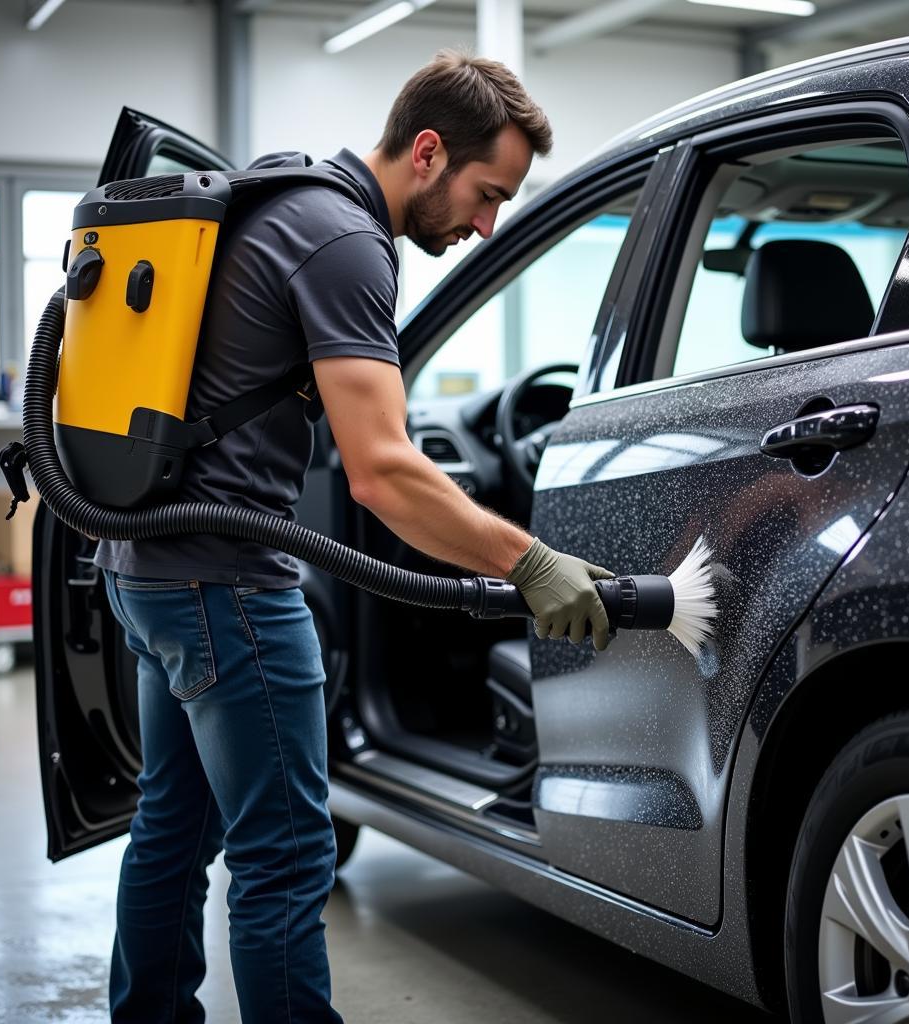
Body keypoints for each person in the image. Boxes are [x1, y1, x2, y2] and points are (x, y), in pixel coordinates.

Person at [94, 48, 613, 1024]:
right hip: (228, 587)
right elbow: (380, 470)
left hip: (146, 568)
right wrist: (530, 562)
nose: (486, 224)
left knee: (172, 825)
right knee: (287, 853)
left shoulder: (287, 194)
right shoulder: (344, 240)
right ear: (427, 152)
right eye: (486, 192)